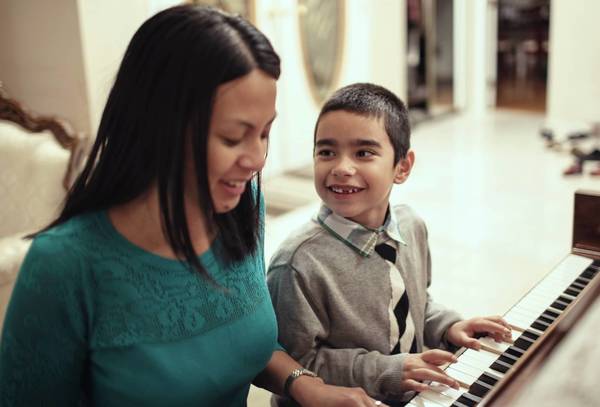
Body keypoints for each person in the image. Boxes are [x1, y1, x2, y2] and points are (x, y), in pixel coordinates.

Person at [0, 6, 384, 406]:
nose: (256, 159)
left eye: (264, 133)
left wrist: (306, 385)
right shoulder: (64, 264)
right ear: (159, 128)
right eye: (233, 138)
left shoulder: (242, 209)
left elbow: (244, 341)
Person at [267, 83, 513, 406]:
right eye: (326, 152)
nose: (341, 168)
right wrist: (386, 370)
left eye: (363, 153)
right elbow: (295, 364)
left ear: (402, 167)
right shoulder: (298, 263)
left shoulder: (412, 226)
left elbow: (414, 304)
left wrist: (449, 326)